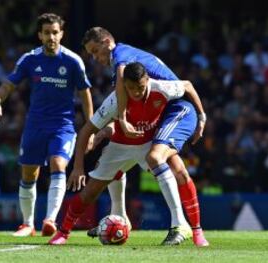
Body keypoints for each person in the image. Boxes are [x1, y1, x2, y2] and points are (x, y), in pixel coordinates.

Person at [48, 62, 207, 246]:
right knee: (89, 193)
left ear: (148, 80)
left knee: (179, 169)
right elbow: (85, 132)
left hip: (149, 143)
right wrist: (77, 167)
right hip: (119, 147)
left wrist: (202, 116)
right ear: (124, 86)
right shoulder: (114, 101)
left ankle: (191, 229)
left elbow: (187, 85)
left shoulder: (162, 89)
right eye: (131, 88)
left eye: (140, 87)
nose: (136, 93)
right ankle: (63, 233)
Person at [81, 27, 208, 245]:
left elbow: (184, 86)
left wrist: (202, 116)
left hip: (177, 109)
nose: (95, 58)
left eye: (95, 51)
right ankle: (195, 233)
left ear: (106, 42)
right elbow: (127, 102)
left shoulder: (121, 60)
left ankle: (182, 225)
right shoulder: (125, 59)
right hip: (165, 112)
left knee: (157, 158)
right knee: (175, 168)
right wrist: (106, 130)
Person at [0, 13, 93, 237]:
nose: (51, 37)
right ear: (40, 35)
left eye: (55, 32)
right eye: (47, 33)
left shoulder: (73, 61)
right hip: (35, 125)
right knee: (29, 174)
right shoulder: (29, 59)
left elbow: (85, 95)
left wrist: (91, 126)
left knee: (58, 164)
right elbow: (8, 84)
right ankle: (27, 224)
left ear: (61, 34)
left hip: (62, 126)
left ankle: (50, 220)